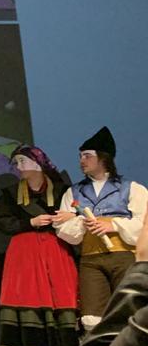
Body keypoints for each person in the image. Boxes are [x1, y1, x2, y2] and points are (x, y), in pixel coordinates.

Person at [0, 145, 78, 346]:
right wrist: (29, 221)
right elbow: (2, 222)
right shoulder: (11, 194)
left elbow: (75, 214)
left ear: (38, 164)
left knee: (61, 304)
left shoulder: (62, 189)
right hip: (25, 254)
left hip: (55, 251)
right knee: (30, 305)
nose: (18, 167)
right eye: (16, 162)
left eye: (22, 161)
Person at [52, 127, 145, 332]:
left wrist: (113, 224)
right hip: (91, 259)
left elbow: (144, 222)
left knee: (128, 309)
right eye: (80, 156)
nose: (81, 161)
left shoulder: (130, 188)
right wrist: (82, 222)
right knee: (92, 316)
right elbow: (63, 227)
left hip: (123, 257)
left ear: (103, 157)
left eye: (87, 155)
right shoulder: (74, 191)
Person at [56, 222, 148, 346]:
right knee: (92, 317)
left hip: (121, 255)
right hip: (92, 257)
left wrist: (142, 270)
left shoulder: (134, 192)